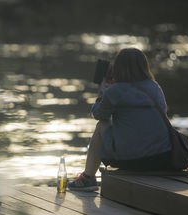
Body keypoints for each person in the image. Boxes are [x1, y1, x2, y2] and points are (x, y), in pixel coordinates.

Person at [68, 47, 172, 192]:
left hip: (132, 160)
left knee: (102, 125)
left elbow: (99, 114)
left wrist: (103, 92)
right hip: (161, 157)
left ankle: (87, 178)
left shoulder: (116, 90)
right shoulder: (154, 87)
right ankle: (87, 177)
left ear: (118, 67)